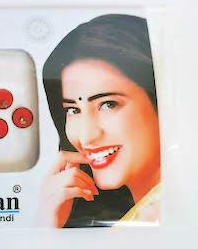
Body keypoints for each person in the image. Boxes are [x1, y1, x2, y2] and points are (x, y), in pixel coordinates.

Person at [38, 14, 161, 228]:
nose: (86, 136)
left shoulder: (159, 215)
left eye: (108, 104)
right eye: (73, 109)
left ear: (160, 100)